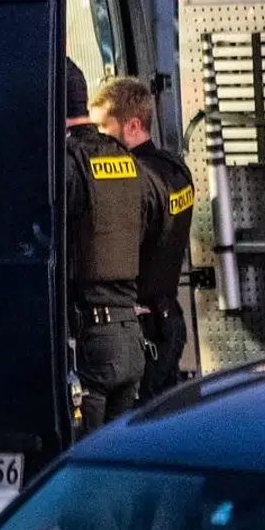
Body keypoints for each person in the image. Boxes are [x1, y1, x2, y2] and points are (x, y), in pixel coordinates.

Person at [89, 76, 194, 403]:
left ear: (132, 126)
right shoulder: (176, 168)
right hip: (168, 320)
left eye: (104, 129)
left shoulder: (131, 182)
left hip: (141, 327)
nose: (99, 139)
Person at [64, 58, 148, 432]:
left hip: (95, 340)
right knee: (119, 464)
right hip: (132, 336)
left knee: (87, 466)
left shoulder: (66, 163)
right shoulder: (126, 160)